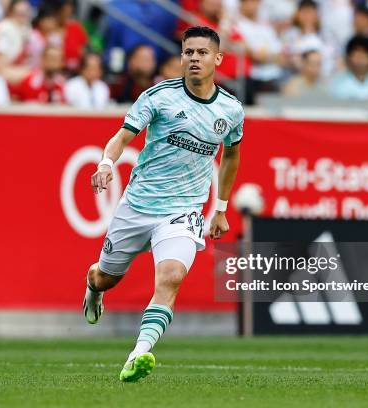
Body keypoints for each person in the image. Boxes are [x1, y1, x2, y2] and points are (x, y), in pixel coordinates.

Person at [83, 26, 244, 382]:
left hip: (184, 211)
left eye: (202, 53)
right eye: (189, 52)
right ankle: (93, 288)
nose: (195, 59)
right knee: (107, 277)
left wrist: (219, 207)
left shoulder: (231, 110)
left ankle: (138, 354)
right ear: (181, 57)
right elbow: (122, 136)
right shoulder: (158, 96)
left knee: (171, 278)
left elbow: (231, 155)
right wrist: (107, 164)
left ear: (217, 59)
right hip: (138, 206)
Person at [329, 35, 368, 113]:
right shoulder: (337, 82)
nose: (360, 60)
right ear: (348, 58)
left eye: (365, 55)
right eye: (356, 55)